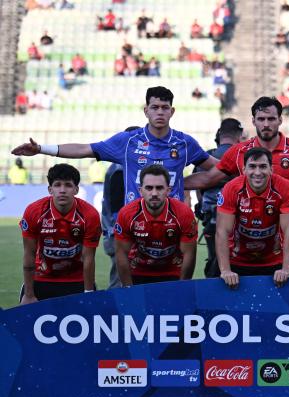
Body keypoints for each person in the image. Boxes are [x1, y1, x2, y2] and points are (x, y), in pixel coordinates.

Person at [12, 86, 217, 203]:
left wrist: (183, 182)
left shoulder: (184, 143)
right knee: (131, 276)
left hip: (173, 220)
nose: (160, 112)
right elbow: (84, 149)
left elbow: (217, 168)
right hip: (136, 222)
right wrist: (41, 149)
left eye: (165, 107)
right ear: (146, 111)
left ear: (172, 112)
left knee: (175, 278)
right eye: (155, 107)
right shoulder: (127, 141)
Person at [185, 96, 289, 191]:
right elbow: (207, 179)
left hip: (284, 229)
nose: (266, 124)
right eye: (261, 119)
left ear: (280, 120)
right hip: (246, 229)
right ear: (254, 121)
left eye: (271, 119)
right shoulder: (238, 151)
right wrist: (171, 183)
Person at [215, 147, 289, 288]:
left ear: (271, 169)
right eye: (252, 167)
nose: (257, 172)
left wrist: (286, 268)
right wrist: (226, 270)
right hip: (237, 260)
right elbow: (222, 231)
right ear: (244, 169)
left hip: (274, 261)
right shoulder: (231, 188)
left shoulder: (285, 187)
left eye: (263, 167)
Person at [19, 164, 101, 304]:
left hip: (77, 280)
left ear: (76, 189)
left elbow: (89, 259)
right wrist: (28, 294)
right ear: (50, 189)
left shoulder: (90, 215)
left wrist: (88, 294)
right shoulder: (34, 211)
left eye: (68, 185)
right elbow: (29, 254)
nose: (62, 190)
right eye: (57, 185)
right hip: (41, 279)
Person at [114, 164, 198, 286]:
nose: (154, 193)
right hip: (138, 271)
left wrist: (182, 286)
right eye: (149, 188)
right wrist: (128, 288)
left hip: (173, 272)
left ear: (168, 190)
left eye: (159, 188)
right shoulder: (127, 214)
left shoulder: (184, 214)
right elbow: (121, 253)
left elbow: (189, 254)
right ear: (140, 190)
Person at [194, 118, 244, 278]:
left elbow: (198, 187)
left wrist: (203, 207)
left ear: (220, 135)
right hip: (240, 220)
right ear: (239, 136)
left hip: (211, 219)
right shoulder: (243, 156)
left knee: (214, 258)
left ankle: (211, 298)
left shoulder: (206, 157)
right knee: (238, 262)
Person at [101, 126, 140, 289]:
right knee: (120, 279)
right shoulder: (120, 169)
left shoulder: (121, 166)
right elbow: (117, 208)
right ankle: (116, 312)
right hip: (119, 235)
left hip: (116, 233)